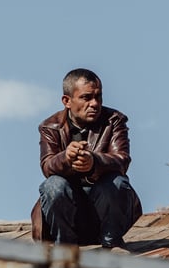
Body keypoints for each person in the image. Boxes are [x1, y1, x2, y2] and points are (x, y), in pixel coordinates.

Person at [30, 68, 142, 248]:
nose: (94, 103)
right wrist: (66, 158)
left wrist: (94, 162)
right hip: (69, 213)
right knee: (53, 185)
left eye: (98, 97)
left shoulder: (114, 120)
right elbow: (47, 166)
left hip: (102, 213)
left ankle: (112, 245)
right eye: (86, 97)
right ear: (67, 101)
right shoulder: (50, 127)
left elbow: (122, 159)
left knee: (117, 182)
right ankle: (65, 248)